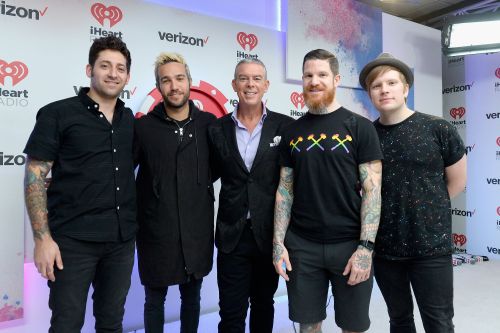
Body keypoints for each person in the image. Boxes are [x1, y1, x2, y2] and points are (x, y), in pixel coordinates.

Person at [23, 36, 136, 333]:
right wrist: (42, 240)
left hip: (121, 242)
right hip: (72, 243)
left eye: (120, 68)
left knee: (112, 324)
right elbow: (35, 177)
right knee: (66, 325)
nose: (113, 73)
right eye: (105, 66)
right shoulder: (57, 113)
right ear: (90, 69)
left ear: (128, 76)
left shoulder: (130, 120)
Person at [273, 49, 383, 333]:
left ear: (336, 79)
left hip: (349, 244)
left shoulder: (359, 127)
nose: (314, 81)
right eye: (308, 75)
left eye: (322, 75)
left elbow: (372, 191)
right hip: (302, 246)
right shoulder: (291, 131)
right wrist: (278, 243)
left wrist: (365, 248)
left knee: (353, 326)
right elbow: (285, 191)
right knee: (308, 325)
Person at [359, 53, 467, 333]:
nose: (384, 89)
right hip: (385, 250)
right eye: (376, 85)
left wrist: (428, 215)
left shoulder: (438, 128)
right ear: (369, 93)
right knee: (400, 320)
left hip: (431, 249)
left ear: (406, 88)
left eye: (392, 82)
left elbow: (456, 182)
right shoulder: (366, 136)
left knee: (439, 323)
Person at [208, 58, 294, 333]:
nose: (250, 84)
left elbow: (292, 181)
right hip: (232, 234)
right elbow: (205, 177)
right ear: (234, 85)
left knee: (263, 304)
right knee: (231, 312)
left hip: (268, 235)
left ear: (266, 85)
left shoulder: (285, 127)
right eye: (243, 78)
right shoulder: (216, 129)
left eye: (257, 78)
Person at [134, 52, 216, 333]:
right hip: (156, 231)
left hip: (197, 230)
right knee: (153, 300)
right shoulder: (142, 128)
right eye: (166, 80)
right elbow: (119, 170)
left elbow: (219, 168)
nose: (174, 86)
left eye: (179, 78)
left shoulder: (209, 125)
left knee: (192, 298)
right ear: (158, 87)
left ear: (189, 81)